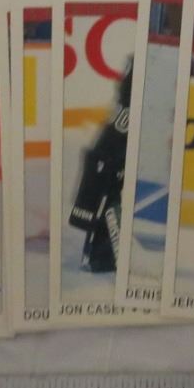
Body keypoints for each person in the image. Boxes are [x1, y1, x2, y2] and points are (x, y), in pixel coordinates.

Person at [68, 61, 133, 273]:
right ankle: (100, 257)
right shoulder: (129, 106)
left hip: (107, 152)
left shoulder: (129, 90)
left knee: (109, 197)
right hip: (108, 156)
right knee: (109, 199)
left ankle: (99, 255)